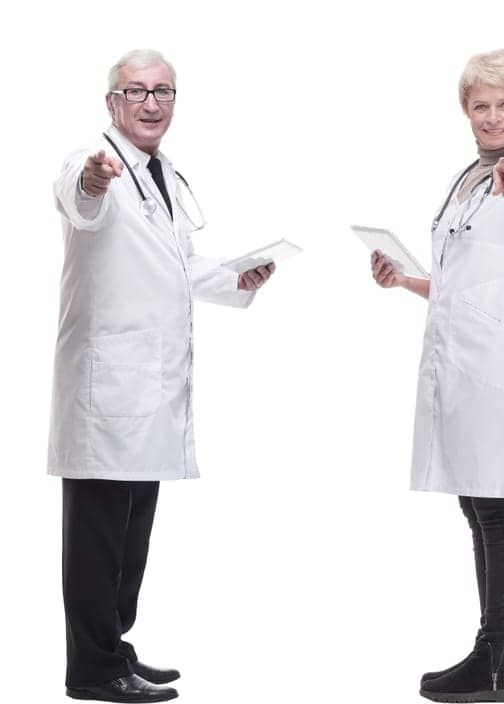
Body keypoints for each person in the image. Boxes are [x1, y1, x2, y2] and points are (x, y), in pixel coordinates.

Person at [49, 49, 277, 703]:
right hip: (107, 387)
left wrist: (238, 276)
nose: (151, 103)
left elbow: (175, 265)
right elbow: (79, 202)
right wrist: (94, 179)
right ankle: (92, 670)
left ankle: (113, 649)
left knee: (130, 532)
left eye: (163, 91)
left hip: (147, 389)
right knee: (97, 535)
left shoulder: (161, 173)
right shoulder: (89, 160)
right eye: (136, 91)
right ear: (112, 101)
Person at [369, 49, 504, 704]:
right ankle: (489, 655)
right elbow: (459, 283)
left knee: (498, 504)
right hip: (462, 355)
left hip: (497, 360)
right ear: (466, 112)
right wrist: (406, 279)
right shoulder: (467, 179)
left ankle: (500, 660)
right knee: (476, 503)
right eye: (481, 104)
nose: (493, 115)